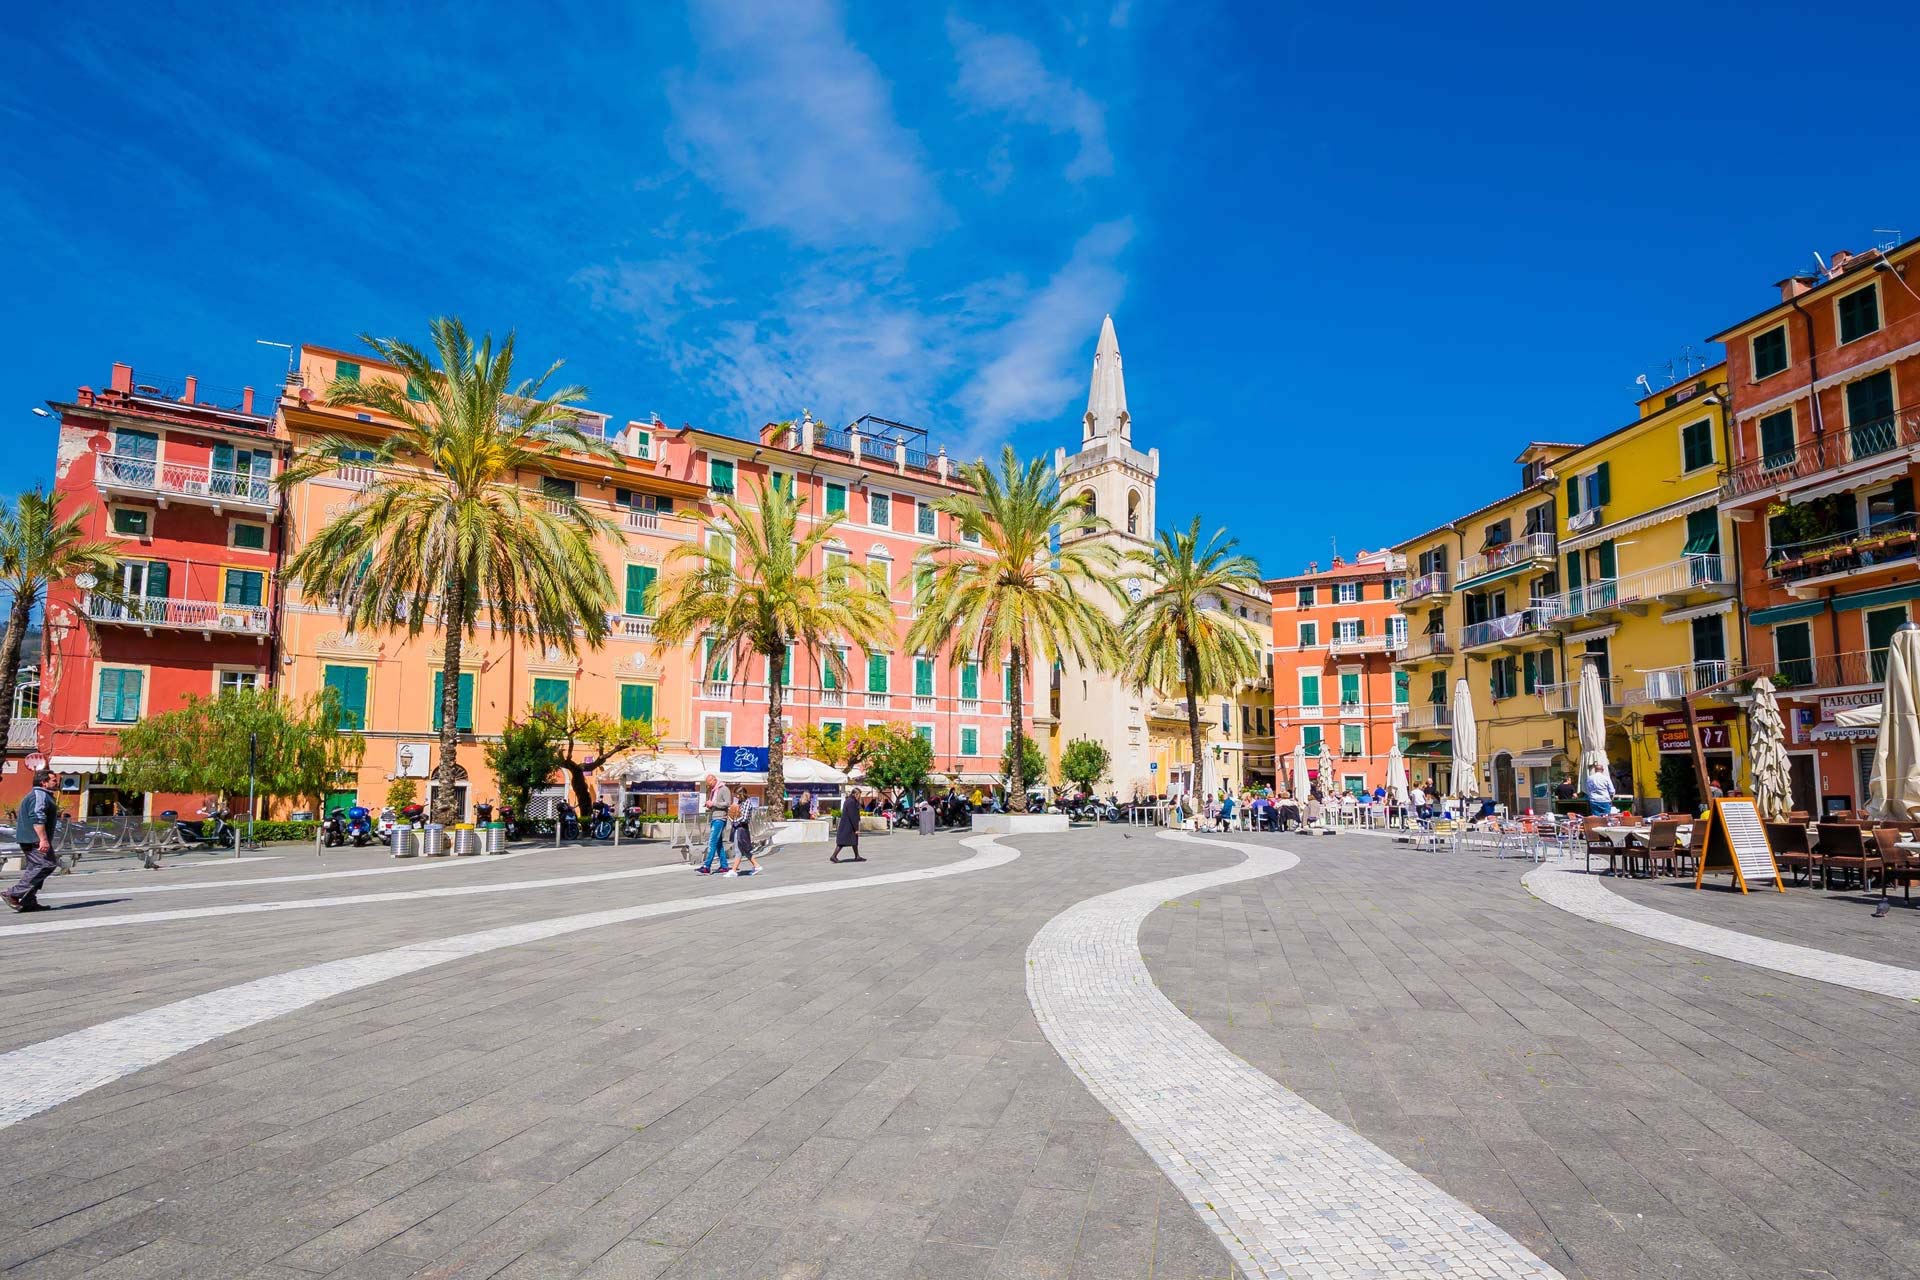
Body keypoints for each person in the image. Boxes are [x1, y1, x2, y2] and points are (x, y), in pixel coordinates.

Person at [4, 769, 61, 912]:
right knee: (45, 865)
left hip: (31, 838)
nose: (57, 782)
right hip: (34, 839)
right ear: (44, 782)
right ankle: (12, 893)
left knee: (35, 867)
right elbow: (37, 817)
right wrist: (43, 839)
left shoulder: (43, 795)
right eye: (54, 780)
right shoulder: (39, 795)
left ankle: (29, 900)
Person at [698, 774, 733, 875]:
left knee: (712, 842)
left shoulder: (724, 789)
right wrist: (709, 805)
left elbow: (727, 803)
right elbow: (715, 803)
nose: (709, 786)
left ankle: (707, 866)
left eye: (710, 783)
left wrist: (713, 804)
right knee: (718, 844)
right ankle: (724, 865)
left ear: (714, 780)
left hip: (720, 818)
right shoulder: (714, 790)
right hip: (714, 817)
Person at [831, 790, 864, 863]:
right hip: (848, 825)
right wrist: (856, 828)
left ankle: (857, 856)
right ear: (856, 794)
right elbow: (853, 816)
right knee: (842, 842)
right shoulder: (851, 802)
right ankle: (834, 856)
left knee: (854, 841)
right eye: (859, 795)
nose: (859, 797)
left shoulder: (851, 801)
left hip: (848, 825)